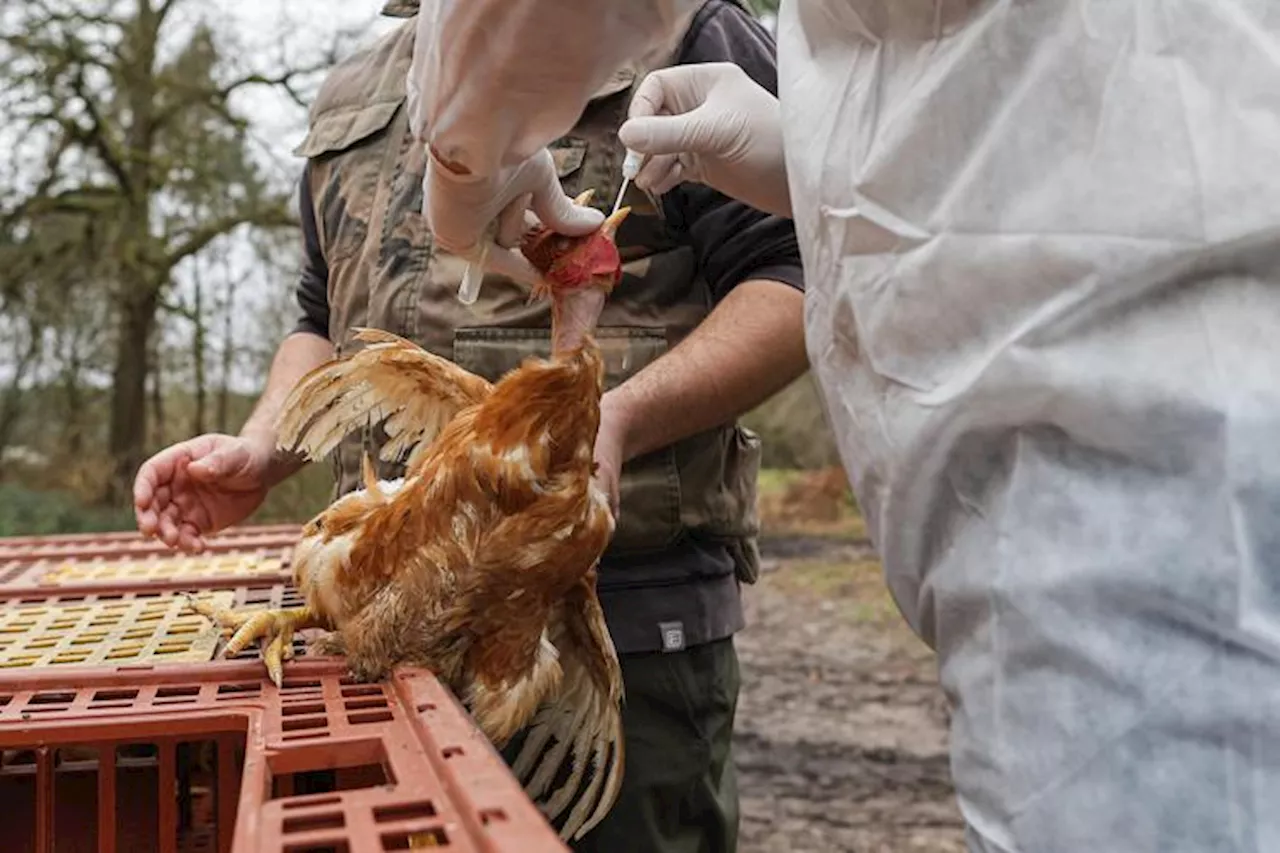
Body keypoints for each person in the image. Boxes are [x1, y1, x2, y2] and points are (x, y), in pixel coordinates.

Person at [408, 2, 1280, 853]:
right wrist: (810, 156)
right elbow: (1055, 107)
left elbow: (518, 28)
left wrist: (468, 159)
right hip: (1130, 439)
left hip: (1144, 481)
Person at [133, 2, 807, 850]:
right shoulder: (357, 86)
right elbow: (319, 313)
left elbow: (796, 282)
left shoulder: (678, 27)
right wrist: (262, 447)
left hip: (601, 635)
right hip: (375, 627)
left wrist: (614, 420)